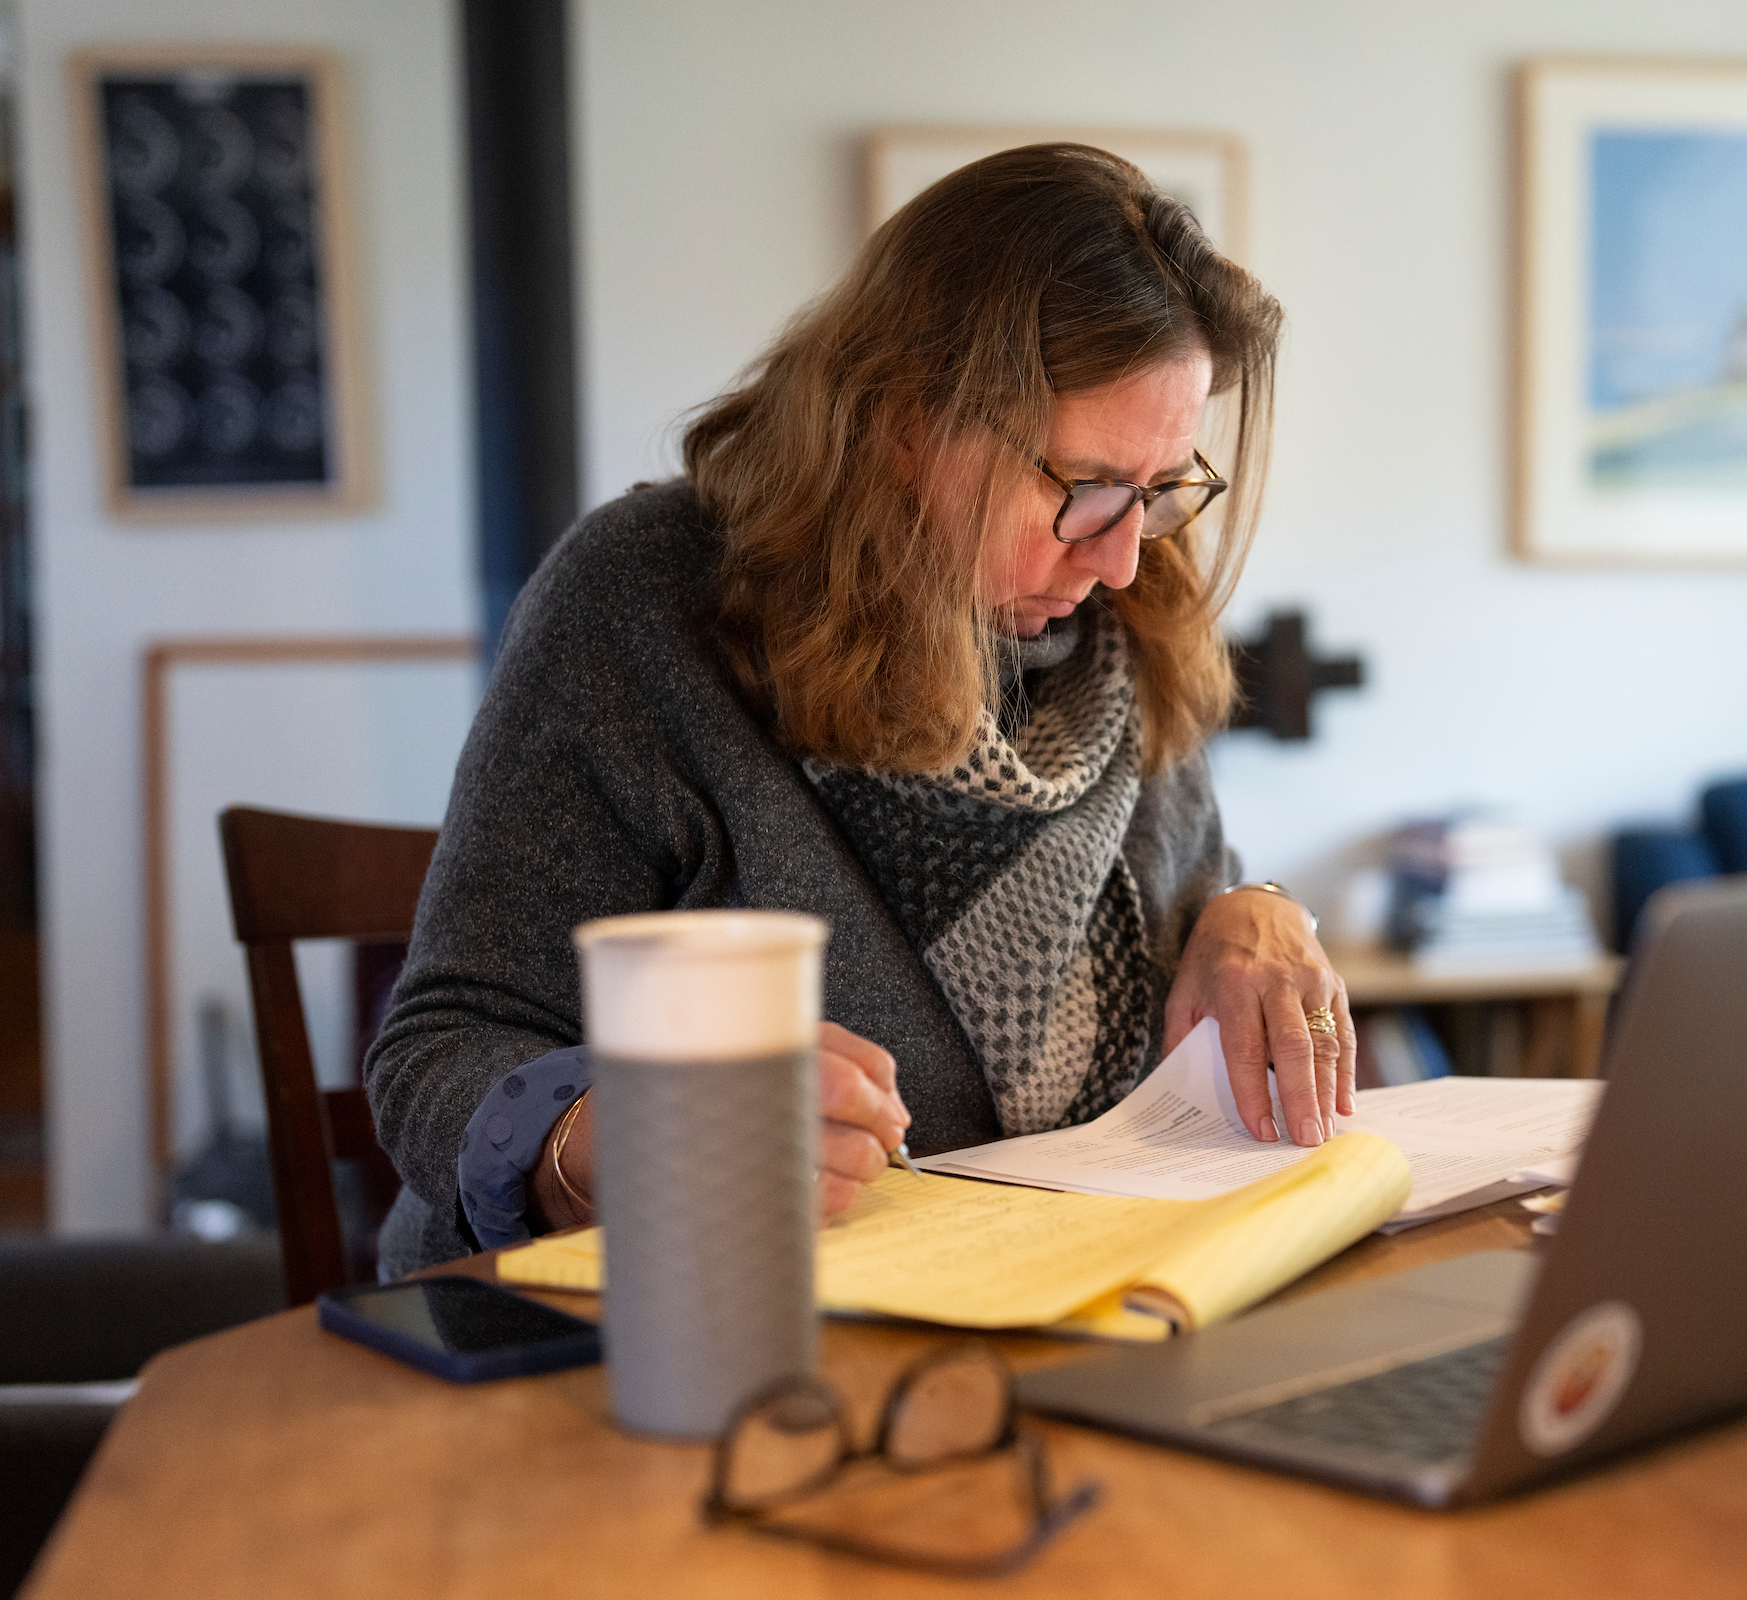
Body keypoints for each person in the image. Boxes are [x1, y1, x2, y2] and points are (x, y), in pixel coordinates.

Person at [365, 145, 1351, 1276]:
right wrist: (626, 1131)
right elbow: (440, 1049)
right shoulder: (646, 599)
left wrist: (1251, 910)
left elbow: (1200, 927)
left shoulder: (1129, 631)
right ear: (903, 418)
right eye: (1081, 487)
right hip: (673, 1332)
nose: (1124, 556)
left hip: (1069, 1312)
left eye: (1161, 489)